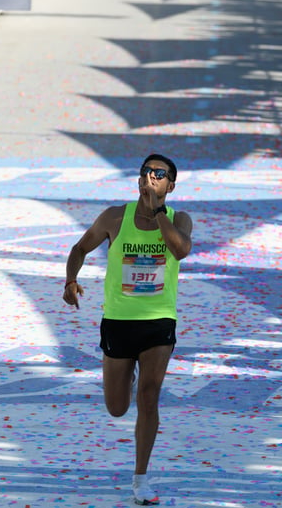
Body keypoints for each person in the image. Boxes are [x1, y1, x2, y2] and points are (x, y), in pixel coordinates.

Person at [63, 154, 192, 505]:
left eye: (160, 173)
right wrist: (70, 279)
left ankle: (140, 479)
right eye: (147, 172)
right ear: (138, 181)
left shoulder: (179, 218)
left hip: (158, 320)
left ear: (171, 185)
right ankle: (125, 377)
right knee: (117, 407)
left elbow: (180, 251)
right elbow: (79, 248)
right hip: (119, 321)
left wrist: (156, 214)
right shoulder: (114, 217)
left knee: (149, 396)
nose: (151, 176)